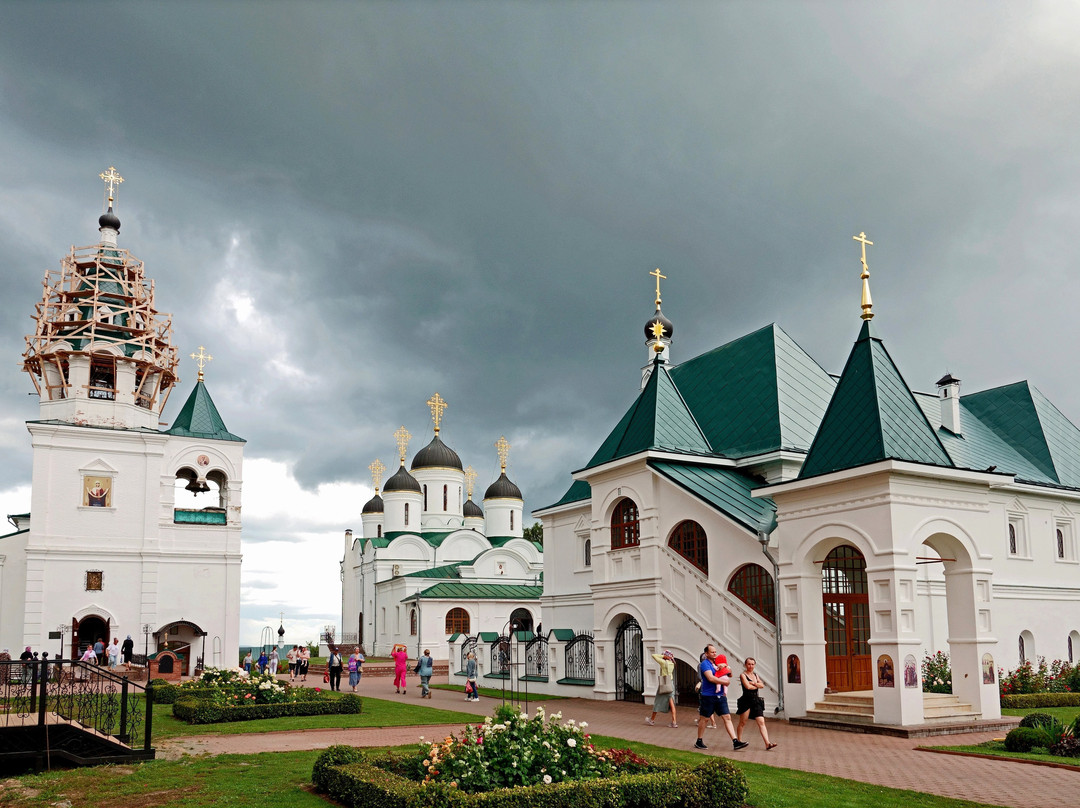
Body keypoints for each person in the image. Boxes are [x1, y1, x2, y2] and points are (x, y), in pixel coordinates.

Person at [695, 645, 747, 752]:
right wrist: (725, 682)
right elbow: (710, 678)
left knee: (727, 717)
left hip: (720, 696)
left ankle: (735, 741)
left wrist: (728, 669)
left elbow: (729, 674)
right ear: (706, 654)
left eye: (715, 652)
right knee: (704, 719)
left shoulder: (717, 663)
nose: (714, 653)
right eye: (712, 652)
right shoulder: (705, 664)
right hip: (708, 696)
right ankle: (699, 741)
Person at [735, 657, 777, 750]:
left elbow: (761, 685)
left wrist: (754, 684)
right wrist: (756, 685)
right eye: (749, 664)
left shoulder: (756, 675)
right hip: (746, 701)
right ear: (745, 665)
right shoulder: (743, 675)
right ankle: (738, 741)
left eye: (752, 664)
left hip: (756, 701)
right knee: (743, 722)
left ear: (755, 665)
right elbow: (748, 687)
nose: (751, 666)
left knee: (761, 722)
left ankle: (767, 743)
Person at [646, 649, 678, 727]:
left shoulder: (663, 663)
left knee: (658, 701)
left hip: (664, 684)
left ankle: (652, 720)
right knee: (672, 704)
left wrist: (663, 656)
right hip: (671, 684)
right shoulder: (672, 663)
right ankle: (674, 722)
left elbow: (654, 656)